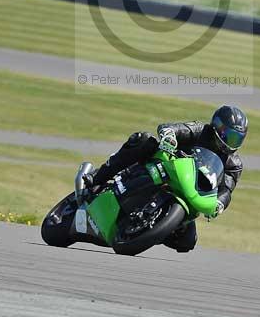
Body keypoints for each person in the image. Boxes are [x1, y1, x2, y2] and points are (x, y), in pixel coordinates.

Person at [89, 105, 248, 253]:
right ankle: (97, 177)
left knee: (187, 242)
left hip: (190, 191)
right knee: (143, 140)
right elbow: (172, 128)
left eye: (237, 139)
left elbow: (226, 189)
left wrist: (220, 203)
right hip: (166, 168)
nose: (231, 143)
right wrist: (169, 136)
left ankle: (149, 230)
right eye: (229, 136)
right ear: (217, 127)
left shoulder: (234, 164)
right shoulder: (200, 130)